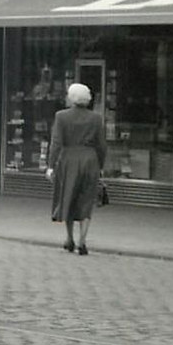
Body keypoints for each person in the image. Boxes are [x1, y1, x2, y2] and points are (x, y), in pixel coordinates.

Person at [47, 81, 108, 255]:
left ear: (71, 98)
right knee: (87, 199)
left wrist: (51, 166)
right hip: (90, 160)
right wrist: (100, 165)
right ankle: (82, 241)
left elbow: (56, 143)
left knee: (69, 197)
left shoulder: (61, 116)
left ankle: (69, 238)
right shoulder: (96, 118)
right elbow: (102, 145)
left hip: (69, 159)